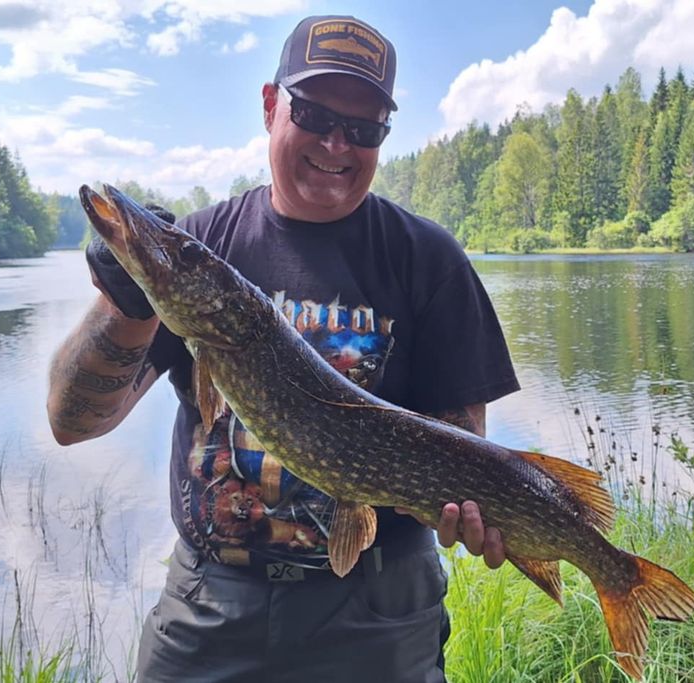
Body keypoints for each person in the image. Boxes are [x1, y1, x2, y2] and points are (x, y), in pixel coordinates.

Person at [46, 14, 519, 682]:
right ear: (271, 105)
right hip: (211, 604)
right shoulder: (206, 244)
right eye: (315, 113)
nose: (336, 142)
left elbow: (463, 442)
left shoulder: (428, 261)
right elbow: (72, 421)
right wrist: (128, 302)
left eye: (363, 129)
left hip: (379, 611)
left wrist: (471, 513)